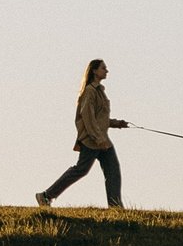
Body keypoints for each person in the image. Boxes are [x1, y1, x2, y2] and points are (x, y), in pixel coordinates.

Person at [37, 58, 128, 208]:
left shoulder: (99, 91)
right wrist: (99, 140)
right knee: (80, 170)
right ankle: (45, 196)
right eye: (103, 68)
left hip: (102, 140)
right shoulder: (90, 92)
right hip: (92, 141)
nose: (106, 71)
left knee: (113, 172)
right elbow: (88, 117)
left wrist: (117, 124)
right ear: (94, 71)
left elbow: (100, 118)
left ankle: (115, 207)